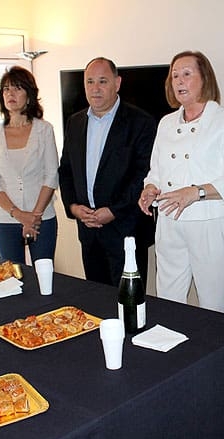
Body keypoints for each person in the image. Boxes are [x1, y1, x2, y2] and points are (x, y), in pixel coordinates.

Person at [138, 50, 224, 313]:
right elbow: (156, 171)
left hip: (210, 222)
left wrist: (195, 192)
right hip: (169, 220)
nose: (179, 81)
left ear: (205, 79)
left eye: (187, 74)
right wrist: (150, 188)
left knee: (212, 304)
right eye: (175, 75)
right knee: (168, 299)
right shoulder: (165, 123)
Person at [59, 57, 157, 287]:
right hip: (88, 231)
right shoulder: (75, 122)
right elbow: (66, 171)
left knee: (129, 303)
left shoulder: (141, 122)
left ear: (117, 83)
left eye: (102, 81)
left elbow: (143, 175)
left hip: (126, 230)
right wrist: (73, 207)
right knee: (95, 301)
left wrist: (113, 211)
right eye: (90, 82)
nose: (95, 88)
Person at [0, 66, 59, 265]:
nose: (10, 93)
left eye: (17, 88)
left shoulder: (44, 130)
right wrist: (19, 215)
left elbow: (51, 176)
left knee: (44, 275)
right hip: (6, 220)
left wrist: (34, 216)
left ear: (29, 94)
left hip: (42, 218)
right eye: (6, 89)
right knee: (11, 278)